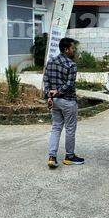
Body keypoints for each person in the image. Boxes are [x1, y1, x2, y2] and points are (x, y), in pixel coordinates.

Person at [43, 37, 84, 168]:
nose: (74, 50)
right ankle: (69, 156)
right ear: (66, 49)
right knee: (70, 129)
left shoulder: (50, 62)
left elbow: (46, 81)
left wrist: (49, 96)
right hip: (68, 101)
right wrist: (58, 92)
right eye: (73, 48)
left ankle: (52, 157)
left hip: (55, 101)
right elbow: (70, 85)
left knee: (56, 128)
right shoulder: (71, 65)